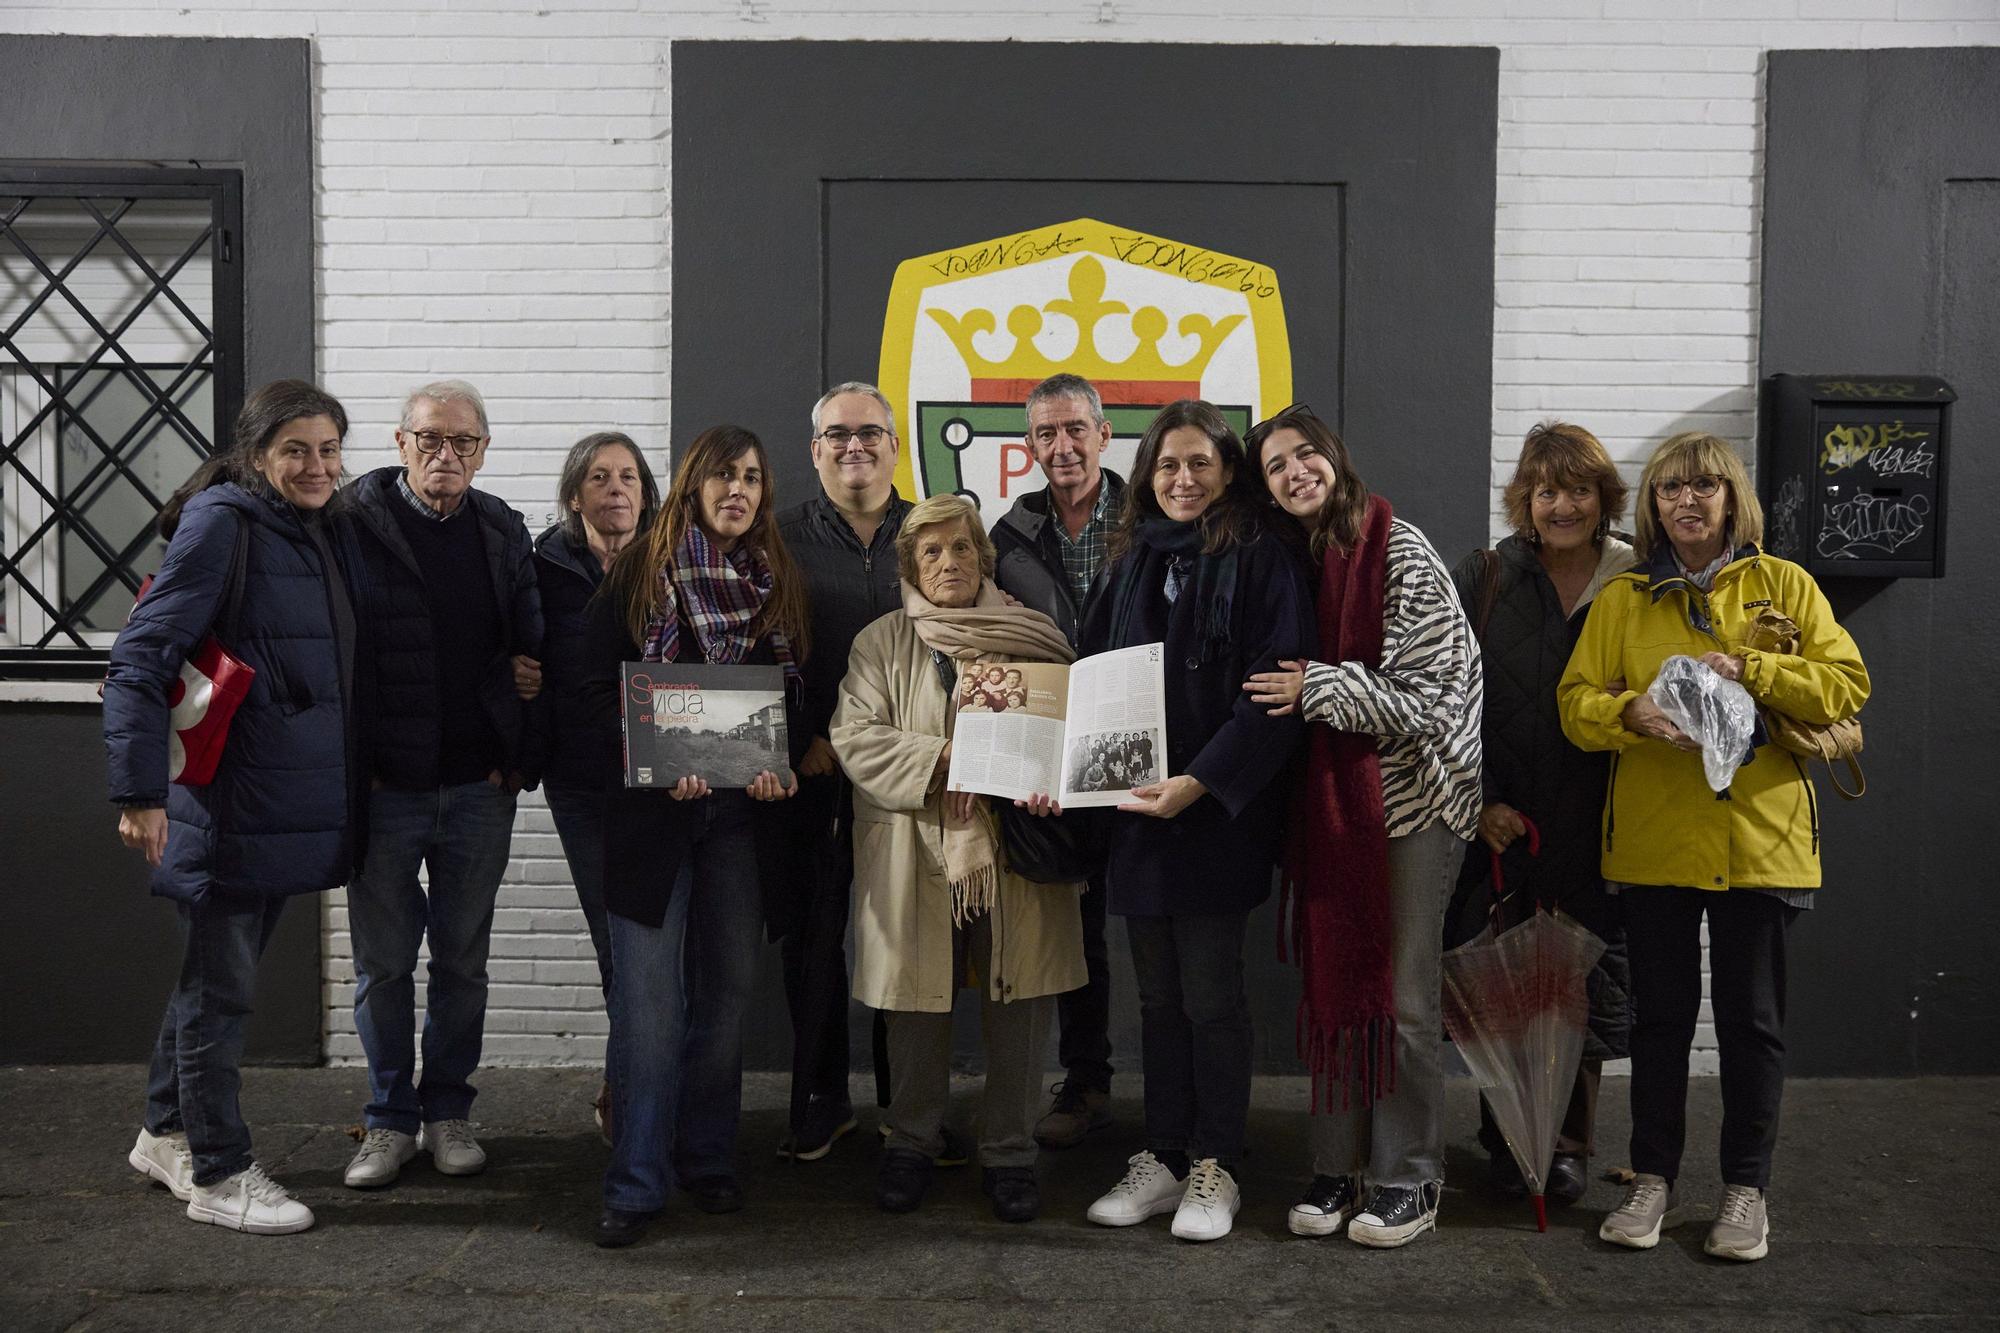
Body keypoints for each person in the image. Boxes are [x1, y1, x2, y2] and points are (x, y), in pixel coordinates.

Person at [1559, 431, 1869, 1263]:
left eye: (1703, 487)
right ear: (1653, 506)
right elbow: (1574, 700)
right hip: (1656, 838)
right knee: (1660, 1022)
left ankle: (1745, 1190)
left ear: (1732, 498)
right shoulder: (1625, 598)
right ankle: (1653, 1178)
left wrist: (1754, 671)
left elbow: (1846, 684)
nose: (1685, 502)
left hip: (1760, 839)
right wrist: (1625, 714)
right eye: (1668, 490)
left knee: (1751, 1023)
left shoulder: (1784, 586)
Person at [106, 379, 364, 1235]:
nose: (317, 464)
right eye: (297, 450)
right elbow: (142, 656)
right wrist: (140, 793)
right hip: (226, 803)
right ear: (256, 455)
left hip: (277, 804)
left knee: (208, 984)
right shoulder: (226, 520)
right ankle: (218, 1171)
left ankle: (165, 1129)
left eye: (329, 449)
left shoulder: (307, 527)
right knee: (223, 996)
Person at [1241, 403, 1482, 1249]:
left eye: (1305, 454)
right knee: (1337, 986)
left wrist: (1318, 688)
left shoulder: (1399, 549)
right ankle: (1338, 1165)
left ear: (1335, 459)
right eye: (1275, 465)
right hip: (1336, 815)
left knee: (1405, 998)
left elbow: (1432, 700)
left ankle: (1409, 1175)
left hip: (1415, 803)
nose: (1294, 471)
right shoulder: (1302, 562)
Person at [1080, 399, 1313, 1243]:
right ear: (1149, 476)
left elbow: (1274, 692)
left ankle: (1218, 1164)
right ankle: (1165, 1155)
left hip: (1216, 815)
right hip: (1138, 817)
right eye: (1168, 466)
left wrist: (1200, 781)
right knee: (1158, 998)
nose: (1183, 480)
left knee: (1213, 996)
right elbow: (1093, 675)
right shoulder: (1131, 560)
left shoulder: (1263, 559)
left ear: (1228, 471)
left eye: (1201, 464)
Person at [582, 424, 811, 1248]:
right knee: (647, 1005)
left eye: (752, 476)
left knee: (727, 990)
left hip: (741, 818)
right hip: (653, 819)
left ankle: (707, 1156)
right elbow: (585, 697)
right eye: (722, 475)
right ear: (691, 483)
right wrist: (650, 761)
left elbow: (796, 702)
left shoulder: (774, 581)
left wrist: (776, 765)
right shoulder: (641, 574)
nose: (738, 490)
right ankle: (636, 1181)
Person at [830, 493, 1085, 1223]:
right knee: (916, 1002)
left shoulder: (1035, 638)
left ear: (985, 556)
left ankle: (1010, 1151)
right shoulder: (880, 642)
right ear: (910, 564)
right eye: (931, 552)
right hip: (915, 846)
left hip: (1015, 850)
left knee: (1020, 1000)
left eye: (962, 548)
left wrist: (1051, 779)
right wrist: (947, 754)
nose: (948, 563)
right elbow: (856, 737)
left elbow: (1071, 734)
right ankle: (909, 1141)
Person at [341, 379, 544, 1190]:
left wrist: (514, 744)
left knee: (462, 961)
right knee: (383, 965)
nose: (445, 454)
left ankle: (448, 1111)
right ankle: (388, 1120)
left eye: (462, 441)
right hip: (386, 789)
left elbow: (529, 649)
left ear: (484, 449)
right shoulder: (352, 524)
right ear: (400, 443)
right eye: (430, 438)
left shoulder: (502, 529)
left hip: (474, 788)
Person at [1446, 422, 1636, 1205]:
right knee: (1507, 977)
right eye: (1547, 490)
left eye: (1579, 489)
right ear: (1525, 498)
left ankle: (1565, 1147)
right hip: (1505, 815)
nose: (1563, 505)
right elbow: (1448, 696)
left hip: (1607, 816)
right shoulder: (1487, 574)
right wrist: (1479, 797)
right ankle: (1505, 1136)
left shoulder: (1637, 577)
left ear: (1604, 497)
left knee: (1580, 978)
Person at [775, 382, 913, 1161]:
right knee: (814, 940)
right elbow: (756, 649)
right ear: (815, 448)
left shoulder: (932, 531)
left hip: (909, 772)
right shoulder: (777, 535)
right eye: (837, 434)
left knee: (906, 937)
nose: (853, 445)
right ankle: (822, 1096)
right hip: (817, 771)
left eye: (869, 432)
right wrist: (798, 739)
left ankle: (908, 1102)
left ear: (895, 444)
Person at [991, 372, 1127, 1149]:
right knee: (1074, 931)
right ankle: (1086, 1081)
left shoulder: (1149, 523)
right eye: (1045, 433)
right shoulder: (1010, 537)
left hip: (1139, 752)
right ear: (1030, 445)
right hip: (1049, 761)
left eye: (1075, 429)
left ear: (1104, 435)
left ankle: (1182, 1107)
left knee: (1153, 930)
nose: (1062, 446)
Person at [520, 431, 662, 1140]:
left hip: (663, 778)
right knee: (618, 943)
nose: (616, 488)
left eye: (629, 476)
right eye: (601, 477)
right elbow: (514, 644)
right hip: (580, 778)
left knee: (654, 944)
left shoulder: (671, 562)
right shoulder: (540, 565)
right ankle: (628, 1092)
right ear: (575, 493)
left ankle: (636, 1087)